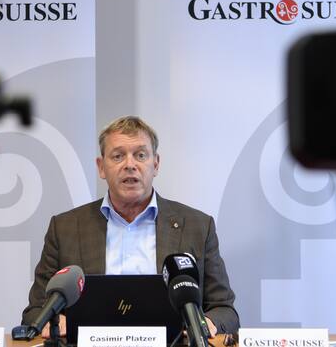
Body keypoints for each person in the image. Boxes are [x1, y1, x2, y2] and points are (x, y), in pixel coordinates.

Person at [21, 115, 239, 336]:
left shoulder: (197, 227)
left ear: (155, 164)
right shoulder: (65, 228)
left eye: (140, 155)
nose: (130, 165)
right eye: (117, 156)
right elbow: (35, 311)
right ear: (101, 167)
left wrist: (207, 323)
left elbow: (225, 310)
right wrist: (55, 321)